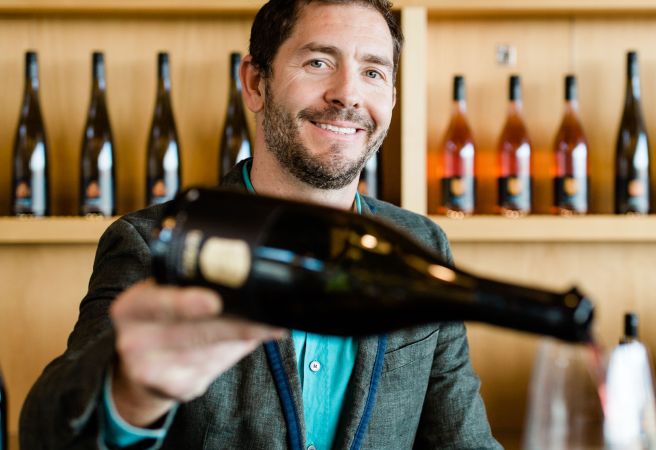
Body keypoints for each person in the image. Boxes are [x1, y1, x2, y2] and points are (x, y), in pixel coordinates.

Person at [19, 0, 501, 449]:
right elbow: (47, 430)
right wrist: (131, 390)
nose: (348, 93)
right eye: (318, 62)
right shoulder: (153, 242)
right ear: (255, 83)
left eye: (373, 71)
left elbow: (463, 440)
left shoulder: (423, 244)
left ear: (392, 98)